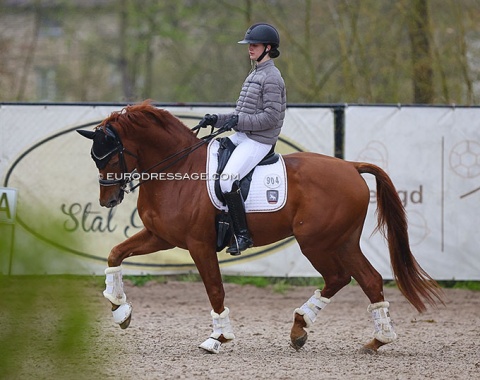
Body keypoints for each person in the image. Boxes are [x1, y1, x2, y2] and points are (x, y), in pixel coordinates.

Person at [198, 23, 286, 256]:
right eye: (249, 45)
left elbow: (270, 118)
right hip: (243, 136)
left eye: (254, 45)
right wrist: (216, 119)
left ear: (268, 48)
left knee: (227, 181)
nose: (250, 49)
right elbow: (241, 115)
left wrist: (236, 122)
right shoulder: (256, 73)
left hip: (259, 141)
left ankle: (243, 235)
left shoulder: (272, 78)